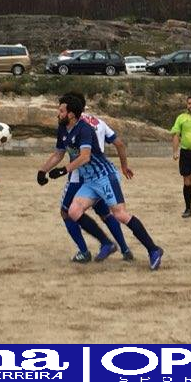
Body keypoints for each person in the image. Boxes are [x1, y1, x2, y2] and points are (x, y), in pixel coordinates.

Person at [39, 93, 164, 270]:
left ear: (71, 114)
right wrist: (42, 171)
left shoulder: (84, 129)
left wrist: (63, 170)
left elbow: (85, 157)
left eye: (61, 111)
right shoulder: (63, 129)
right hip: (90, 181)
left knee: (120, 214)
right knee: (73, 211)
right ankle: (107, 243)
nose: (58, 114)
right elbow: (58, 153)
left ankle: (153, 250)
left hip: (105, 176)